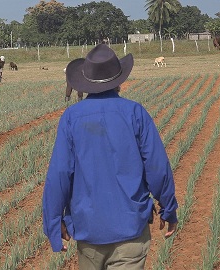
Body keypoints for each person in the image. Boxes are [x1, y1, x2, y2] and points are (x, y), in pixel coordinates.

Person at [42, 44, 178, 270]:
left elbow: (59, 175)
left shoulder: (71, 117)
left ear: (86, 82)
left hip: (88, 231)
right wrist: (169, 208)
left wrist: (54, 223)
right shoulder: (135, 112)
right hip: (131, 229)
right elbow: (157, 167)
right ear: (119, 80)